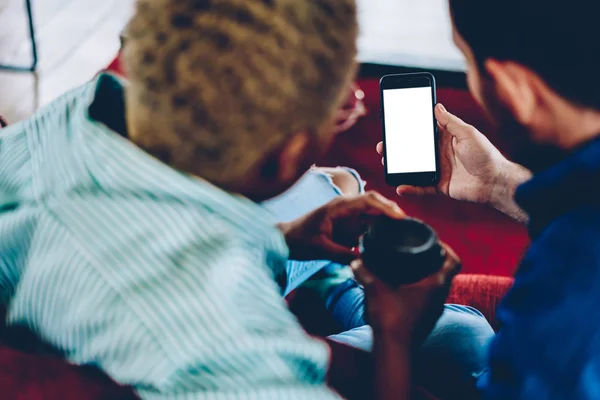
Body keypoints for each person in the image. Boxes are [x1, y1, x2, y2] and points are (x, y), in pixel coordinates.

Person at [0, 0, 492, 399]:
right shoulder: (218, 330)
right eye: (337, 114)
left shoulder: (77, 111)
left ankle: (330, 286)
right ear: (290, 152)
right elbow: (182, 291)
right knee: (465, 341)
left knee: (332, 188)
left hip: (99, 249)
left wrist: (285, 240)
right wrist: (395, 341)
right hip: (178, 312)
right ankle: (343, 294)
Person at [372, 0, 600, 398]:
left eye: (467, 60)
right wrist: (499, 183)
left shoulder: (563, 288)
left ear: (515, 89)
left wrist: (393, 338)